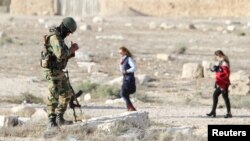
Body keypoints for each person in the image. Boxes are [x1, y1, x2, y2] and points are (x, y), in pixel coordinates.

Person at [42, 17, 79, 128]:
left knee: (67, 93)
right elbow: (61, 54)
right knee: (54, 95)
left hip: (59, 70)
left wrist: (72, 51)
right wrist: (71, 50)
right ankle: (51, 122)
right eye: (68, 32)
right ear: (64, 28)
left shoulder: (59, 37)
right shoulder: (54, 38)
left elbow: (63, 56)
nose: (68, 34)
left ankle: (59, 118)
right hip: (52, 71)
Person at [206, 50, 232, 118]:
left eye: (216, 56)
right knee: (224, 97)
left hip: (223, 83)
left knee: (217, 95)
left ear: (219, 55)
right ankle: (216, 112)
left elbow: (226, 73)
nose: (216, 58)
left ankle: (214, 112)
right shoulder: (220, 62)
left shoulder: (224, 63)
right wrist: (213, 69)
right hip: (221, 82)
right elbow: (217, 70)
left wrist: (218, 69)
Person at [119, 46, 137, 111]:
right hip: (125, 78)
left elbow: (134, 67)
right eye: (119, 53)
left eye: (121, 53)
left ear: (125, 52)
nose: (120, 54)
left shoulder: (129, 59)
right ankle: (129, 108)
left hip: (129, 79)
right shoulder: (122, 60)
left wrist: (126, 71)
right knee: (124, 93)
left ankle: (131, 108)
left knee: (123, 93)